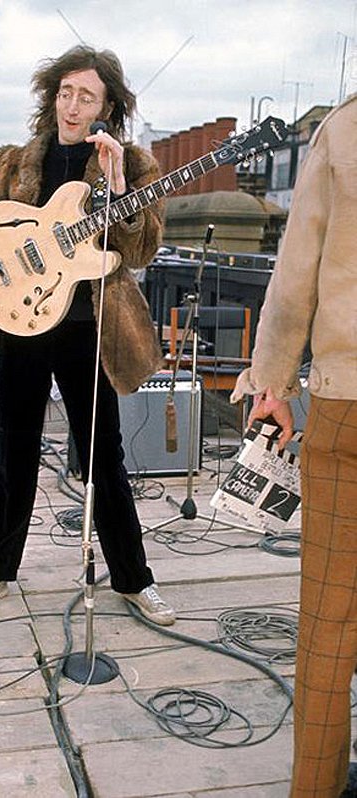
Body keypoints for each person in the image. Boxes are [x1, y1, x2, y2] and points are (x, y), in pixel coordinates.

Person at [0, 44, 176, 625]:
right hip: (21, 324)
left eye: (87, 95)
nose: (72, 105)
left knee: (103, 457)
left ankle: (134, 579)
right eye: (65, 92)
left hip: (89, 328)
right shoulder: (12, 163)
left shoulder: (129, 165)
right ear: (50, 97)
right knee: (12, 454)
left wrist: (115, 187)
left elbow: (141, 250)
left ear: (108, 106)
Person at [231, 94, 357, 798]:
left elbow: (295, 277)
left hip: (346, 401)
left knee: (329, 627)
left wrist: (273, 382)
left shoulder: (343, 129)